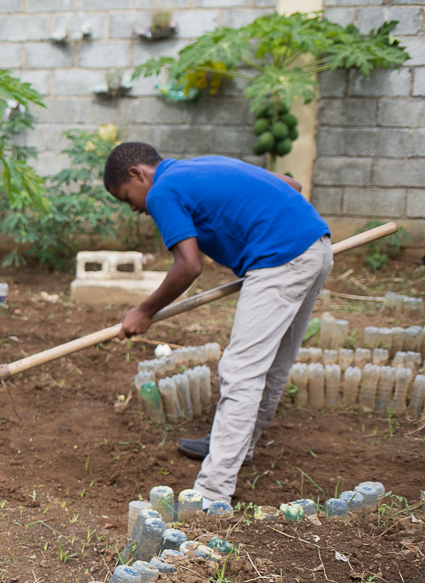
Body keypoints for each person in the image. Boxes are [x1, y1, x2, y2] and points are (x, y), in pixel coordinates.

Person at [103, 142, 331, 504]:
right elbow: (291, 185)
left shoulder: (163, 190)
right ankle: (239, 447)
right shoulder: (204, 163)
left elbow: (189, 265)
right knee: (271, 366)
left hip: (280, 259)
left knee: (241, 371)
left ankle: (212, 493)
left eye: (127, 197)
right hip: (315, 247)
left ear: (138, 174)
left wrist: (144, 310)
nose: (134, 209)